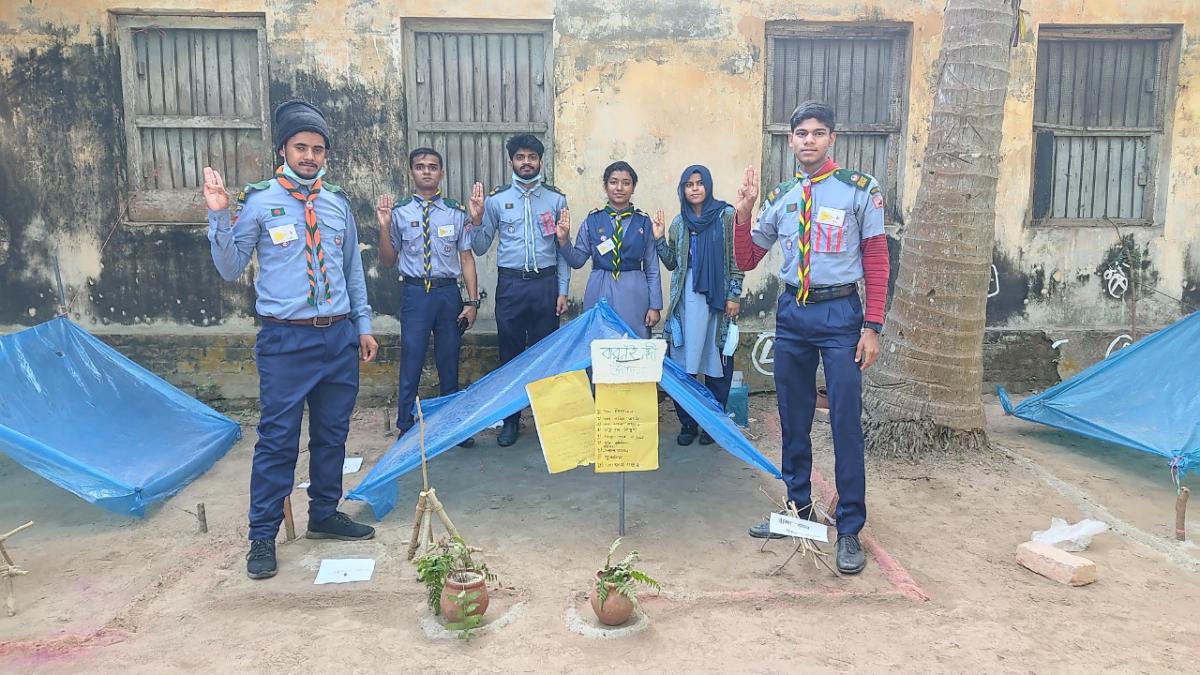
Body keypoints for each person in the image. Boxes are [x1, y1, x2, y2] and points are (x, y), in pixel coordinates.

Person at [203, 99, 379, 580]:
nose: (309, 156)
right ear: (283, 150)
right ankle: (262, 535)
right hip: (286, 340)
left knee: (332, 433)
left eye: (317, 149)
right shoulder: (259, 202)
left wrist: (363, 326)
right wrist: (219, 216)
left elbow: (352, 271)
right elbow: (230, 267)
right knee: (278, 439)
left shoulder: (337, 203)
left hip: (338, 337)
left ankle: (324, 513)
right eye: (301, 147)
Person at [733, 101, 890, 575]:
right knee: (793, 415)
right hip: (793, 314)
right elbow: (746, 259)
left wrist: (872, 326)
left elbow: (876, 259)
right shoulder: (781, 197)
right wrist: (743, 215)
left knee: (844, 419)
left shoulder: (859, 189)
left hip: (841, 314)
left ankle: (849, 527)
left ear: (832, 138)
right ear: (791, 140)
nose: (809, 140)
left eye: (818, 133)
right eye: (801, 133)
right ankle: (798, 510)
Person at [376, 147, 483, 447]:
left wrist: (472, 302)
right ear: (411, 172)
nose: (426, 171)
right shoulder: (398, 213)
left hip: (447, 294)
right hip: (415, 294)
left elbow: (466, 258)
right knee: (411, 359)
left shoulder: (455, 212)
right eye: (420, 166)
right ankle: (405, 425)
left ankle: (451, 426)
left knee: (449, 360)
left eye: (433, 166)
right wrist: (384, 228)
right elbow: (387, 260)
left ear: (441, 173)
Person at [472, 134, 570, 446]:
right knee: (510, 354)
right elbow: (480, 246)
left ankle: (547, 423)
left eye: (532, 157)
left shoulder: (556, 200)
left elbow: (562, 250)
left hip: (545, 285)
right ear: (511, 161)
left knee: (546, 356)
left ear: (540, 161)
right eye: (520, 157)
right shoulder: (496, 201)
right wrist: (476, 220)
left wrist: (563, 290)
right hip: (511, 286)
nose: (526, 162)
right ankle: (511, 421)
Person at [655, 165, 744, 446]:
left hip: (717, 300)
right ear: (682, 189)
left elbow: (736, 258)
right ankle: (688, 423)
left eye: (699, 183)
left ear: (708, 185)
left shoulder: (725, 215)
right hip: (686, 300)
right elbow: (672, 263)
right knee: (684, 364)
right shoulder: (679, 223)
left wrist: (734, 295)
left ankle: (712, 424)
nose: (694, 189)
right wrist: (659, 239)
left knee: (717, 362)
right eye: (688, 184)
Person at [556, 161, 663, 338]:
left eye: (626, 183)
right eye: (613, 182)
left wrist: (655, 306)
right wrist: (563, 240)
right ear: (605, 186)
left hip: (634, 291)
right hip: (600, 287)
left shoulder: (644, 222)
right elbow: (577, 260)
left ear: (633, 187)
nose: (619, 188)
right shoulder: (593, 220)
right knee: (599, 340)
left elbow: (652, 268)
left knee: (633, 342)